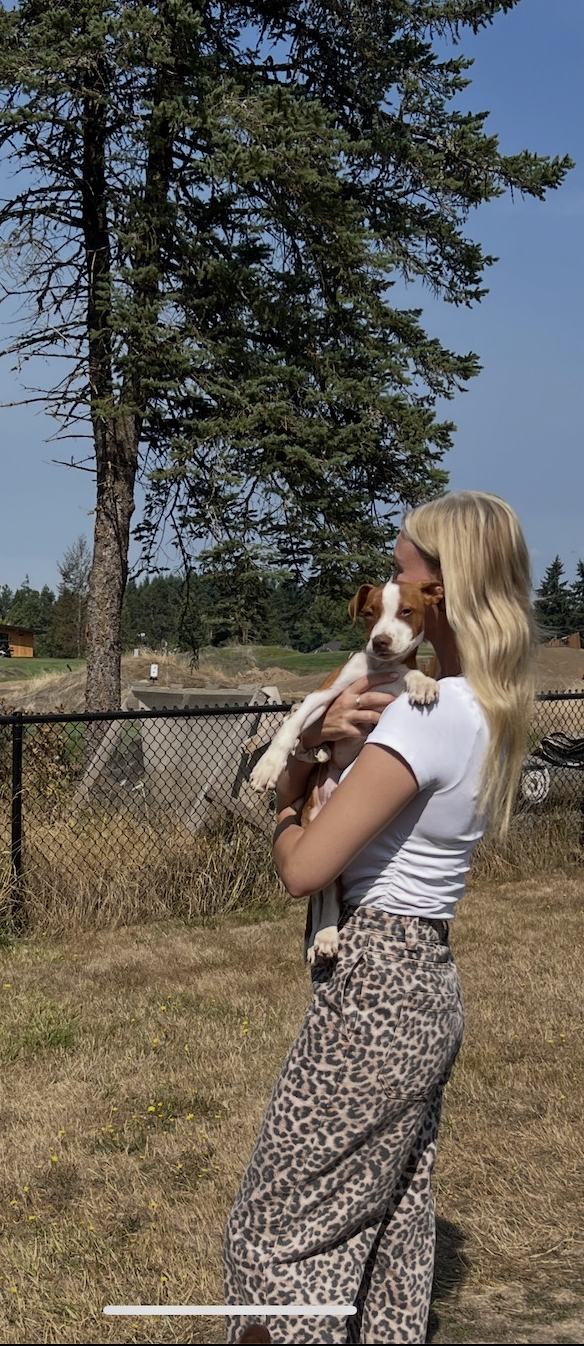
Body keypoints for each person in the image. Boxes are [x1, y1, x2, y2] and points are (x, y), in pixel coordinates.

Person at [224, 491, 536, 1346]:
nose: (392, 586)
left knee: (275, 1233)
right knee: (392, 1230)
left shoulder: (416, 716)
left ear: (447, 586)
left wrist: (288, 794)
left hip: (375, 986)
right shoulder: (486, 710)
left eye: (404, 569)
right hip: (429, 982)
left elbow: (306, 870)